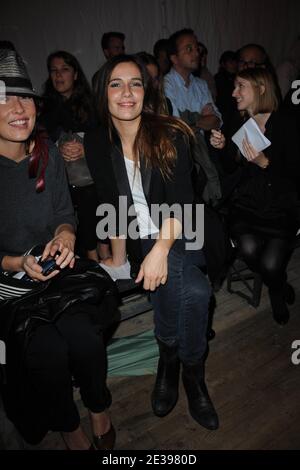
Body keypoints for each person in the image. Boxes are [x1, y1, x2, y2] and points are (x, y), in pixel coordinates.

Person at [85, 54, 219, 430]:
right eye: (116, 83)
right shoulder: (97, 140)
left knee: (180, 282)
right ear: (103, 93)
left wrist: (159, 252)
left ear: (147, 91)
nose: (127, 92)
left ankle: (173, 361)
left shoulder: (170, 132)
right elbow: (112, 202)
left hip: (183, 224)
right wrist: (118, 258)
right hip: (141, 235)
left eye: (136, 83)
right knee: (194, 292)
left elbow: (183, 203)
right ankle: (190, 370)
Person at [0, 48, 115, 450]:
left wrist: (66, 235)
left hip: (56, 269)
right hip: (11, 284)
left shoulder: (46, 153)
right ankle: (68, 424)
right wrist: (18, 261)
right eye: (4, 98)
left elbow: (65, 212)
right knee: (46, 350)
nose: (19, 107)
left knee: (83, 337)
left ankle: (99, 404)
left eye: (25, 97)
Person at [210, 67, 300, 325]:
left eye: (241, 86)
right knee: (248, 250)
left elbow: (296, 172)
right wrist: (222, 147)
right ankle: (279, 284)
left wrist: (266, 164)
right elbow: (231, 167)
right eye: (235, 86)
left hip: (281, 204)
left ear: (260, 89)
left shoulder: (285, 124)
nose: (234, 92)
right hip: (248, 204)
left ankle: (276, 288)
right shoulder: (237, 122)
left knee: (271, 265)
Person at [39, 50, 108, 262]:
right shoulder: (45, 107)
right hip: (62, 175)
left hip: (93, 171)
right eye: (54, 71)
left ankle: (103, 254)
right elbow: (40, 140)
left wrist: (86, 147)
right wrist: (57, 150)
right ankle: (92, 257)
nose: (59, 75)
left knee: (97, 193)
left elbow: (107, 137)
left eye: (65, 70)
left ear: (75, 74)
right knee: (80, 196)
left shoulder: (93, 104)